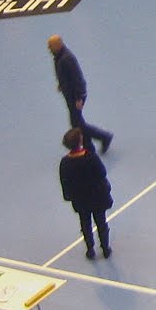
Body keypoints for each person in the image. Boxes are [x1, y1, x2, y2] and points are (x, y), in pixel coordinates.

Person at [48, 36, 113, 153]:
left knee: (77, 125)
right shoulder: (59, 57)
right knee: (77, 123)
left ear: (58, 45)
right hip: (70, 94)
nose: (49, 48)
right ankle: (90, 145)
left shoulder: (66, 59)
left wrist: (79, 98)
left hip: (75, 96)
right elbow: (65, 74)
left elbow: (77, 78)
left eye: (51, 46)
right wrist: (62, 84)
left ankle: (103, 137)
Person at [58, 129, 112, 260]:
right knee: (101, 222)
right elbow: (102, 173)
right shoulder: (91, 157)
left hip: (80, 199)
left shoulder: (65, 162)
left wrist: (69, 196)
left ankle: (90, 249)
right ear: (80, 141)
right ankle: (105, 248)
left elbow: (65, 182)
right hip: (97, 197)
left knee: (85, 223)